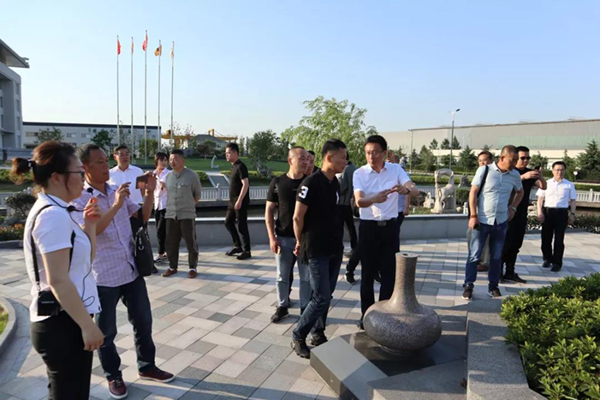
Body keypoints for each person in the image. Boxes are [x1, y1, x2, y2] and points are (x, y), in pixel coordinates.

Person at [73, 144, 173, 399]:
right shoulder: (80, 199)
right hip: (103, 275)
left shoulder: (114, 190)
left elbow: (141, 218)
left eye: (105, 161)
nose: (105, 166)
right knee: (106, 332)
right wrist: (116, 206)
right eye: (99, 162)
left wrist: (148, 193)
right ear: (85, 167)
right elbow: (90, 232)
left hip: (130, 269)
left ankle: (147, 366)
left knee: (143, 321)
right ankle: (113, 375)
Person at [15, 141, 104, 399]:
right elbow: (58, 280)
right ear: (56, 177)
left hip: (65, 318)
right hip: (61, 323)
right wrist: (87, 325)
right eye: (78, 171)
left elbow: (83, 263)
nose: (83, 178)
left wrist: (90, 226)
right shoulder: (52, 215)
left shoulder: (58, 211)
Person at [290, 139, 347, 358]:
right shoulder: (310, 183)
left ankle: (318, 332)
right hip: (315, 249)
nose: (345, 161)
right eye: (342, 157)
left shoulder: (335, 183)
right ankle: (298, 335)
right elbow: (297, 217)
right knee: (321, 296)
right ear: (329, 157)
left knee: (326, 294)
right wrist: (299, 241)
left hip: (334, 247)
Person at [353, 135, 418, 327]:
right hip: (368, 228)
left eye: (375, 152)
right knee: (367, 273)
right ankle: (367, 315)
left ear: (384, 153)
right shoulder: (359, 173)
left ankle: (385, 313)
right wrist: (374, 198)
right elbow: (359, 201)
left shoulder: (395, 169)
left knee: (389, 273)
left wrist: (406, 190)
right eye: (367, 153)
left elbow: (414, 189)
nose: (371, 156)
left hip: (390, 227)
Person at [462, 145, 524, 300]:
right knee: (474, 255)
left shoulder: (515, 175)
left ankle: (493, 286)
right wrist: (473, 215)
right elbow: (473, 193)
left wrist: (513, 208)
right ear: (502, 158)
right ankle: (468, 285)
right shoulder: (485, 170)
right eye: (513, 160)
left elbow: (520, 192)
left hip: (501, 221)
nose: (515, 163)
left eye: (516, 160)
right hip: (482, 220)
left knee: (496, 256)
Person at [265, 147, 311, 323]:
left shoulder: (310, 182)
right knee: (282, 275)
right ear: (290, 160)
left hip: (305, 239)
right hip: (283, 237)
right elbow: (269, 211)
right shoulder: (277, 182)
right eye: (301, 158)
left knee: (306, 277)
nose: (306, 162)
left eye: (307, 158)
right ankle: (282, 306)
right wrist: (272, 237)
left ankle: (305, 308)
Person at [501, 146, 547, 283]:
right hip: (507, 211)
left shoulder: (529, 172)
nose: (525, 161)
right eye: (522, 158)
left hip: (521, 213)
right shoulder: (509, 170)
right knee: (504, 243)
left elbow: (543, 187)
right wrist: (522, 177)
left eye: (528, 158)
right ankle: (497, 272)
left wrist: (540, 177)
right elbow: (503, 183)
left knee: (516, 244)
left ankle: (510, 271)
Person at [162, 149, 202, 278]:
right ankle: (172, 267)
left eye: (175, 159)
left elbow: (197, 196)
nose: (172, 162)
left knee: (191, 243)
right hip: (170, 214)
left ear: (183, 160)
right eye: (170, 159)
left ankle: (192, 268)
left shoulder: (192, 175)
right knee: (171, 243)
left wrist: (187, 206)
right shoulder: (168, 177)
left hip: (186, 215)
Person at [536, 161, 577, 272]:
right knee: (546, 238)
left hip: (561, 213)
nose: (559, 172)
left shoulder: (569, 185)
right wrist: (539, 212)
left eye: (562, 170)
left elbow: (573, 201)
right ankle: (547, 259)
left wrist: (572, 214)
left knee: (559, 239)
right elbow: (540, 199)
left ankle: (557, 263)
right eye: (557, 170)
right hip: (548, 212)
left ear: (565, 171)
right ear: (553, 171)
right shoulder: (547, 183)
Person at [467, 151, 494, 273]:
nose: (482, 163)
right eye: (480, 161)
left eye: (485, 160)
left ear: (491, 161)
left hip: (487, 214)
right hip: (476, 213)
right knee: (471, 235)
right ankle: (476, 259)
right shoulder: (479, 173)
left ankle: (485, 262)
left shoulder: (493, 174)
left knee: (486, 238)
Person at [224, 142, 252, 260]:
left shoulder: (241, 166)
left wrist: (239, 200)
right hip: (232, 202)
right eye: (226, 153)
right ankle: (237, 246)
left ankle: (247, 250)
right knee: (228, 222)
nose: (226, 155)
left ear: (235, 153)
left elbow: (245, 184)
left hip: (240, 202)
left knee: (241, 226)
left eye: (228, 153)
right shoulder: (234, 166)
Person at [153, 152, 171, 269]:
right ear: (156, 161)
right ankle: (164, 253)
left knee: (161, 230)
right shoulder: (153, 173)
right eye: (161, 160)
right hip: (157, 205)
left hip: (166, 205)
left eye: (165, 160)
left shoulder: (169, 174)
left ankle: (161, 253)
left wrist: (157, 179)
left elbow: (166, 186)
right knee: (159, 230)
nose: (164, 162)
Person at [338, 153, 358, 256]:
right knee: (351, 227)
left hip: (343, 203)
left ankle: (339, 248)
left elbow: (342, 187)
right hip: (351, 202)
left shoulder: (346, 170)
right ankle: (355, 248)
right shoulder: (355, 169)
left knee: (340, 227)